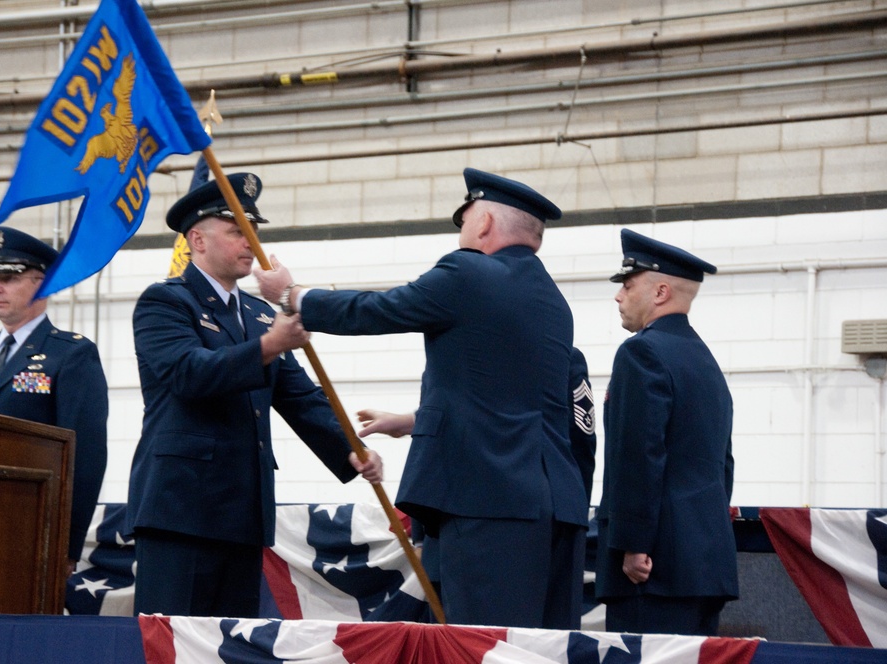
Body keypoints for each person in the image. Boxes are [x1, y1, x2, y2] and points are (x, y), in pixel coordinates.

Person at [255, 168, 589, 629]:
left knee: (482, 649)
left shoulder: (468, 271)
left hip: (486, 502)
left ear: (485, 222)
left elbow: (377, 310)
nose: (462, 233)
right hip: (555, 505)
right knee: (541, 649)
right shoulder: (554, 302)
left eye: (465, 220)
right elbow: (508, 399)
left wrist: (291, 295)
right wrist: (412, 420)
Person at [126, 172, 383, 618]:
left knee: (232, 645)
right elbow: (189, 373)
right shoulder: (165, 302)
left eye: (254, 231)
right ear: (197, 240)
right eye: (236, 231)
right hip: (181, 511)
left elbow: (300, 397)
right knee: (173, 645)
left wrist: (350, 449)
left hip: (243, 510)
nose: (252, 242)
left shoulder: (260, 314)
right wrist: (268, 347)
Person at [354, 346, 596, 629]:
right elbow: (432, 445)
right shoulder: (447, 354)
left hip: (541, 534)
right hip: (450, 534)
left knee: (538, 646)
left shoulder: (559, 355)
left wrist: (571, 519)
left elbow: (578, 445)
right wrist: (421, 536)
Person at [595, 228, 738, 636]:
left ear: (660, 292)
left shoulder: (642, 353)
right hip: (701, 559)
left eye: (627, 284)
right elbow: (721, 463)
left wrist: (633, 543)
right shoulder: (704, 361)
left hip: (653, 567)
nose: (619, 295)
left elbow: (637, 455)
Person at [0, 226, 109, 577]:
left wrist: (68, 544)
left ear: (43, 283)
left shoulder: (70, 355)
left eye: (8, 277)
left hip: (32, 525)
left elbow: (85, 455)